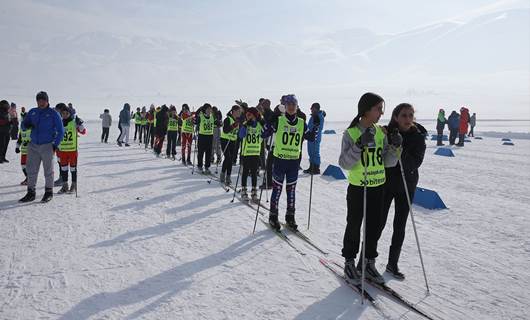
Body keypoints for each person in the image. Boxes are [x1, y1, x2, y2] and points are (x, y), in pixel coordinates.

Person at [338, 92, 398, 285]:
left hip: (378, 186)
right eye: (378, 108)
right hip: (358, 187)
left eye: (382, 109)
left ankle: (368, 262)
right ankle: (349, 261)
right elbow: (344, 163)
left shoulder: (381, 132)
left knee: (374, 227)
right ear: (366, 110)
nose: (381, 113)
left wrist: (395, 147)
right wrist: (358, 145)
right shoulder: (351, 133)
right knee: (354, 225)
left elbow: (388, 163)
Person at [378, 103, 426, 280]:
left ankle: (393, 263)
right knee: (378, 222)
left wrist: (400, 148)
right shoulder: (385, 132)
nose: (408, 119)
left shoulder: (418, 137)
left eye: (410, 115)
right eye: (404, 115)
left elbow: (414, 163)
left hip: (407, 184)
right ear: (396, 117)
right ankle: (366, 260)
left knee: (400, 225)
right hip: (386, 182)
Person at [264, 94, 317, 231]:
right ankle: (273, 216)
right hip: (280, 160)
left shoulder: (301, 122)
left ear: (297, 106)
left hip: (293, 162)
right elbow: (264, 134)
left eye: (294, 105)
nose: (292, 107)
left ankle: (290, 216)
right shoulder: (279, 120)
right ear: (285, 107)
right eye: (289, 105)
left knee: (291, 191)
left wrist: (315, 128)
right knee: (277, 189)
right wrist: (270, 122)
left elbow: (309, 137)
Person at [19, 92, 64, 203]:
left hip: (47, 145)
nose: (41, 102)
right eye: (39, 100)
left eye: (43, 100)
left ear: (47, 101)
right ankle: (31, 193)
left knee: (48, 170)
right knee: (31, 170)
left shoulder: (53, 113)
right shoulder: (33, 112)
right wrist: (26, 125)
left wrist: (55, 145)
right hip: (33, 145)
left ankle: (48, 192)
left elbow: (61, 131)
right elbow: (23, 125)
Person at [56, 104, 86, 194]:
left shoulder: (74, 122)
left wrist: (80, 124)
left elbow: (83, 131)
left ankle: (73, 185)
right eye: (63, 113)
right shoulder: (59, 123)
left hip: (72, 150)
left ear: (69, 113)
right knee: (64, 169)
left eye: (66, 113)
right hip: (62, 151)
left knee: (73, 169)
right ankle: (65, 186)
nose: (65, 115)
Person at [239, 107, 264, 202]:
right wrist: (245, 126)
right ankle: (244, 191)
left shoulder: (259, 125)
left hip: (255, 153)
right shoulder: (246, 124)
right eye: (247, 115)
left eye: (249, 115)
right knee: (245, 172)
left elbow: (263, 135)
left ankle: (254, 192)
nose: (247, 116)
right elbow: (241, 135)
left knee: (254, 173)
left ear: (254, 115)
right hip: (246, 153)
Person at [219, 105, 241, 185]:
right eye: (238, 111)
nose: (239, 113)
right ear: (234, 111)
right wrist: (233, 125)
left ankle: (228, 176)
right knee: (227, 157)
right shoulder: (227, 119)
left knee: (231, 159)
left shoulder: (238, 120)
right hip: (225, 140)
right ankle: (222, 174)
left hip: (233, 141)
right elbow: (225, 130)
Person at [304, 102, 326, 174]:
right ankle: (311, 167)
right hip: (310, 136)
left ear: (316, 108)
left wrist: (314, 131)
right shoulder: (313, 116)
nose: (311, 109)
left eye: (312, 108)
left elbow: (319, 127)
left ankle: (316, 168)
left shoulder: (319, 116)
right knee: (310, 152)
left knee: (315, 152)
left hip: (315, 137)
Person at [195, 103, 215, 174]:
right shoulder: (201, 116)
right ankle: (200, 166)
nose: (209, 110)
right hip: (202, 136)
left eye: (210, 109)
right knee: (201, 152)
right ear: (205, 110)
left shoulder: (212, 117)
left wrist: (219, 123)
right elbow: (196, 121)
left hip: (210, 136)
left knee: (208, 153)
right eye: (208, 109)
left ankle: (207, 167)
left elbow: (216, 122)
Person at [15, 110, 31, 184]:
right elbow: (20, 139)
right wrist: (17, 147)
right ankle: (28, 178)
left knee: (30, 166)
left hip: (32, 151)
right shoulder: (22, 128)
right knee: (23, 166)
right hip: (24, 151)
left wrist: (28, 142)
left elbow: (35, 138)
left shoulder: (32, 128)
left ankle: (30, 179)